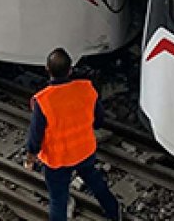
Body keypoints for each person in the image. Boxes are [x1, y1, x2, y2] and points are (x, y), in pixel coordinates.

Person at [25, 48, 121, 221]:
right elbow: (99, 121)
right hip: (84, 151)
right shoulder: (86, 89)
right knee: (94, 181)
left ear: (47, 69)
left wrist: (30, 156)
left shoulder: (44, 100)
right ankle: (113, 211)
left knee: (58, 199)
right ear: (70, 70)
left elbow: (35, 135)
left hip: (57, 160)